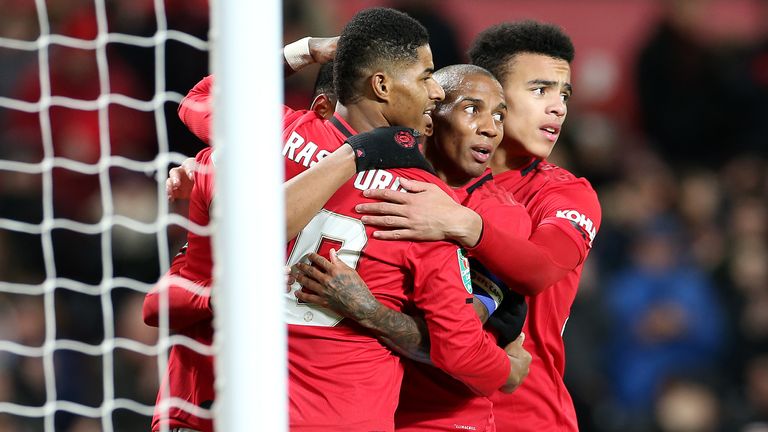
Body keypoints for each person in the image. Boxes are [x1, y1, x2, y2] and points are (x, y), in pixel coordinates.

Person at [168, 8, 528, 431]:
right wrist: (508, 370)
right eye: (426, 76)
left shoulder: (272, 136)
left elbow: (198, 100)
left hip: (237, 403)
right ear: (382, 85)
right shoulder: (421, 206)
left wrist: (309, 52)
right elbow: (461, 352)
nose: (434, 92)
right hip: (340, 415)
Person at [344, 21, 601, 431]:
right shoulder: (398, 176)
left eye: (564, 94)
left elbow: (539, 270)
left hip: (524, 416)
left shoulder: (565, 194)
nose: (559, 107)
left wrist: (463, 225)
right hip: (405, 411)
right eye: (540, 90)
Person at [294, 63, 533, 431]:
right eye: (472, 109)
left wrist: (368, 310)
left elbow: (458, 338)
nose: (491, 127)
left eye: (500, 115)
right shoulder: (366, 172)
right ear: (429, 115)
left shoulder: (502, 217)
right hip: (360, 406)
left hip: (442, 419)